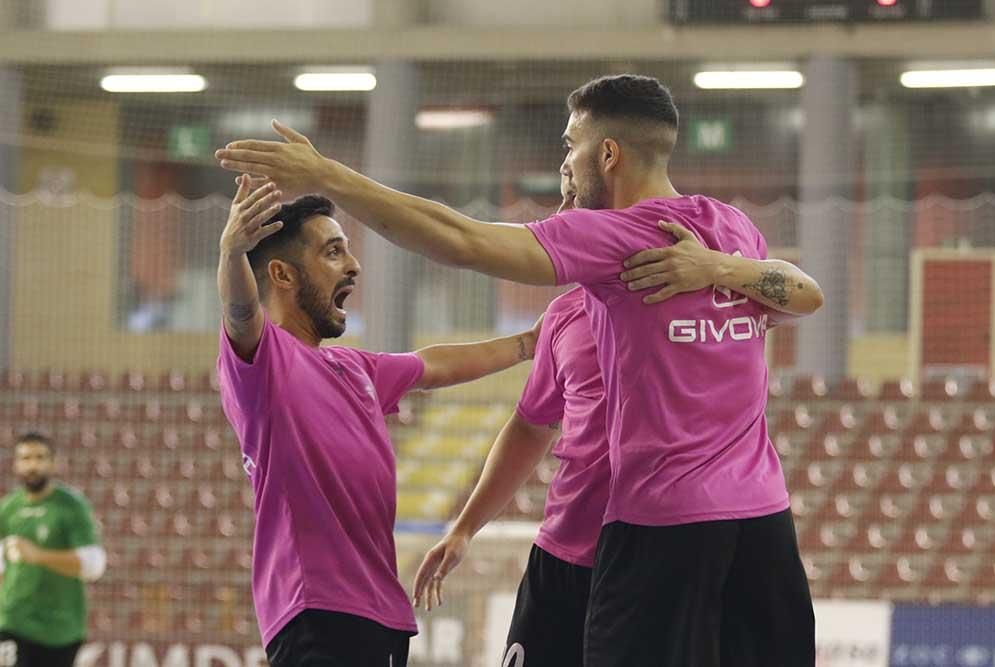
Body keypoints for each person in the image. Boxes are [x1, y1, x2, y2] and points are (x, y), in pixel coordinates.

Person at [216, 73, 822, 666]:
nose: (565, 162)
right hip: (762, 518)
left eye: (570, 145)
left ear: (606, 153)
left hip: (661, 522)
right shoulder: (730, 227)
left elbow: (461, 240)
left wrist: (328, 176)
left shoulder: (614, 238)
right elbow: (802, 293)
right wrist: (721, 268)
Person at [216, 179, 668, 666]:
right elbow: (241, 314)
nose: (353, 264)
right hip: (317, 608)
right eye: (332, 252)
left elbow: (434, 365)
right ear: (282, 275)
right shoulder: (264, 364)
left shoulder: (352, 368)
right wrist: (231, 253)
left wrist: (526, 344)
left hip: (378, 613)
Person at [410, 176, 825, 667]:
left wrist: (715, 267)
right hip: (569, 553)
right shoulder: (563, 316)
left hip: (659, 553)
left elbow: (803, 294)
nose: (563, 210)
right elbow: (530, 425)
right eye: (560, 195)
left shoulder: (702, 287)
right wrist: (464, 528)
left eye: (573, 193)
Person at [0, 432, 107, 667]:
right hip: (13, 620)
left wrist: (38, 556)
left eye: (40, 458)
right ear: (16, 464)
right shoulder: (8, 509)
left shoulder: (71, 507)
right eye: (26, 458)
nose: (33, 465)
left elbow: (93, 565)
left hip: (60, 628)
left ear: (52, 463)